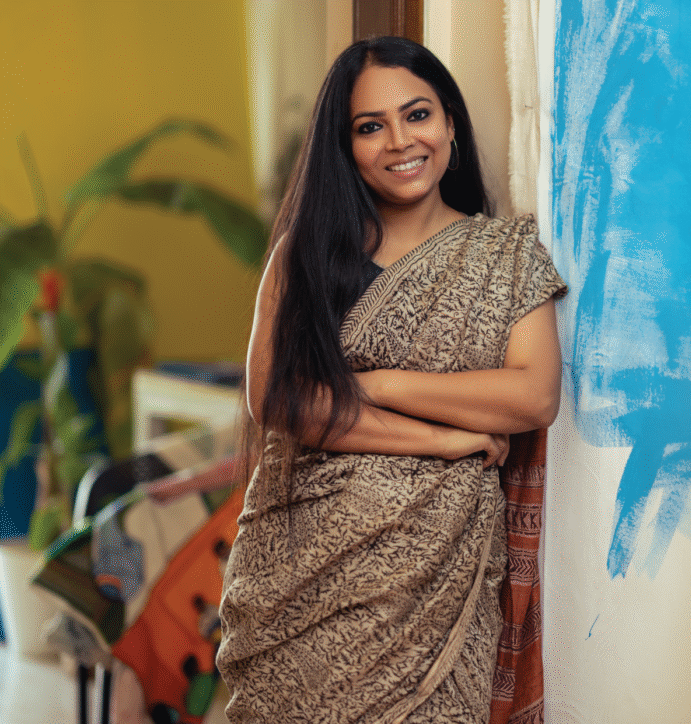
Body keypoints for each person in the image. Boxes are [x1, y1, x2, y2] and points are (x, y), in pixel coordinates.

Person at [215, 36, 566, 724]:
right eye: (370, 126)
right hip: (302, 589)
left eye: (418, 115)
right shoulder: (305, 256)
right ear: (345, 148)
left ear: (450, 123)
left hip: (439, 590)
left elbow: (534, 396)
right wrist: (442, 441)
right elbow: (277, 399)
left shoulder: (505, 254)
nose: (401, 141)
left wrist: (375, 385)